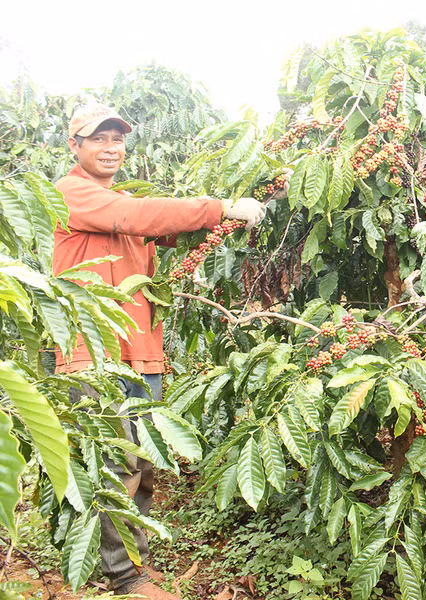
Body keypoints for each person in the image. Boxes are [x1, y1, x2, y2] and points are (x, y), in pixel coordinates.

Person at [54, 104, 267, 599]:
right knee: (113, 465)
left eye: (117, 140)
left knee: (144, 463)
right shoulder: (71, 193)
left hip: (142, 353)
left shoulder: (119, 200)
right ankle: (124, 578)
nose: (110, 148)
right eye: (98, 139)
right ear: (74, 147)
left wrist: (233, 213)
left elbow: (157, 225)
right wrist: (219, 206)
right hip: (95, 353)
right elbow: (137, 215)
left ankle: (134, 565)